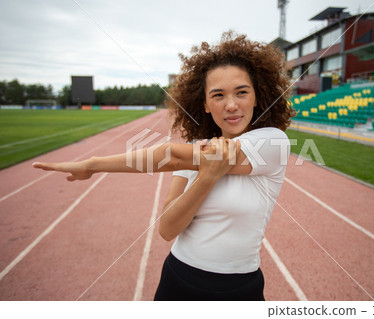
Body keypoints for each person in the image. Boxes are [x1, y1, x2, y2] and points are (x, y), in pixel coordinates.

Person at [32, 31, 296, 301]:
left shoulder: (273, 142)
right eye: (218, 95)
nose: (231, 105)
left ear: (257, 97)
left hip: (239, 288)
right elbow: (168, 230)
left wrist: (93, 164)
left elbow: (171, 155)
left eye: (242, 92)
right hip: (177, 278)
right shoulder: (196, 147)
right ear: (204, 104)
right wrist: (204, 180)